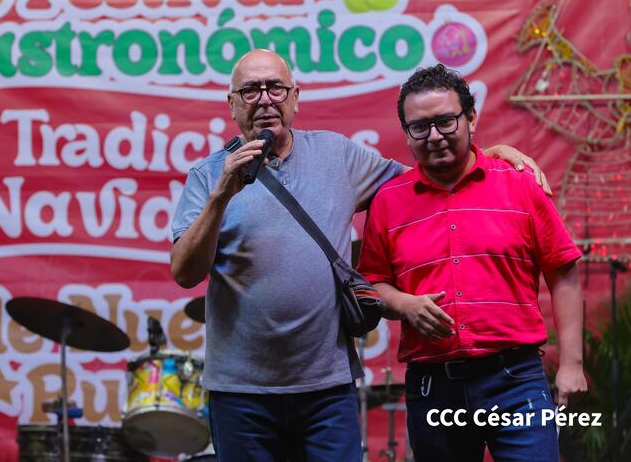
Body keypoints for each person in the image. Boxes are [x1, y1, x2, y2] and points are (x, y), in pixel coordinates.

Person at [170, 50, 549, 462]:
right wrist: (220, 197)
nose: (265, 99)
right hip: (241, 392)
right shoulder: (208, 176)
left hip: (327, 389)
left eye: (275, 87)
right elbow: (185, 273)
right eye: (250, 90)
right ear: (232, 104)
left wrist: (487, 155)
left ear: (295, 98)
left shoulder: (336, 155)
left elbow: (423, 178)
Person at [358, 63, 588, 462]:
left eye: (446, 121)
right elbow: (371, 282)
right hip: (433, 388)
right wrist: (403, 304)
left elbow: (563, 272)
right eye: (420, 127)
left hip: (515, 381)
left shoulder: (519, 184)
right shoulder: (388, 201)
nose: (434, 136)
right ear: (407, 133)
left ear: (471, 119)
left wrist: (572, 363)